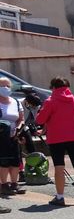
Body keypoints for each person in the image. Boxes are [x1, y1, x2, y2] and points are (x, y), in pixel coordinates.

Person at [35, 77, 74, 206]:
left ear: (53, 87)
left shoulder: (50, 101)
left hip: (56, 138)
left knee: (59, 167)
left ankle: (60, 197)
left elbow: (40, 120)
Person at [0, 77, 25, 208]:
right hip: (1, 137)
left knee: (15, 160)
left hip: (14, 136)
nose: (5, 88)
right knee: (3, 161)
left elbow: (21, 119)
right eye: (3, 86)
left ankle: (14, 183)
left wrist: (19, 130)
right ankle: (4, 185)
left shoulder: (15, 102)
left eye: (8, 86)